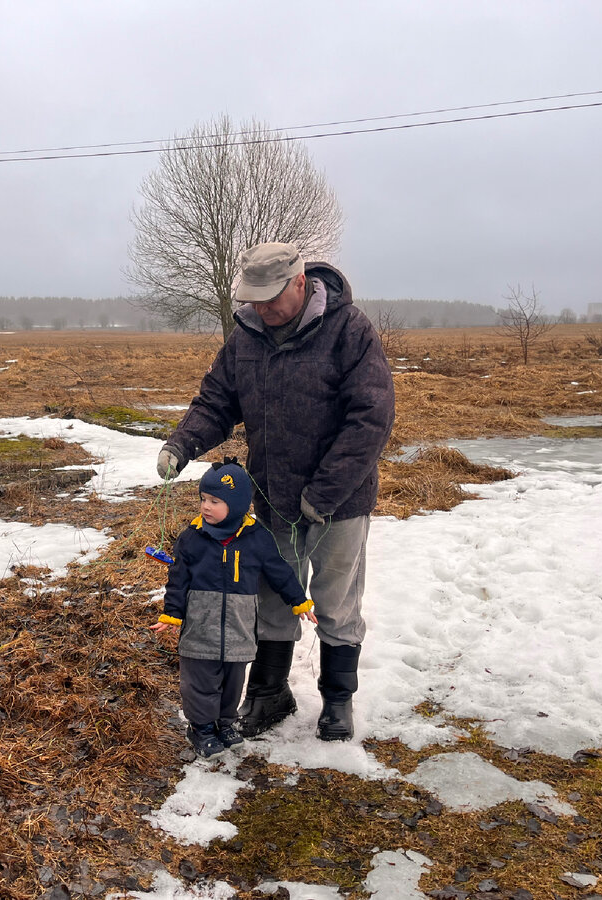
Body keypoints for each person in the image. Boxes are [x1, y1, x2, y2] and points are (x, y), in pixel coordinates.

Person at [156, 243, 395, 742]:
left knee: (335, 602)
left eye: (270, 298)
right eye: (254, 299)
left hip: (339, 503)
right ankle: (270, 692)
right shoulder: (245, 336)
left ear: (300, 283)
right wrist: (182, 443)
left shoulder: (349, 331)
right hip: (271, 498)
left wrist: (323, 494)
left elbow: (370, 419)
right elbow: (218, 400)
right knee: (269, 597)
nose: (262, 309)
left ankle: (337, 700)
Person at [149, 459, 315, 758]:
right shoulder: (191, 538)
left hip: (239, 629)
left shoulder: (257, 538)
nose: (205, 507)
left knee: (231, 683)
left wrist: (297, 599)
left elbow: (279, 571)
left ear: (237, 504)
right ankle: (201, 727)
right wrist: (172, 613)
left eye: (215, 501)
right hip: (201, 627)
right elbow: (177, 579)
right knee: (200, 683)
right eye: (203, 499)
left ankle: (224, 723)